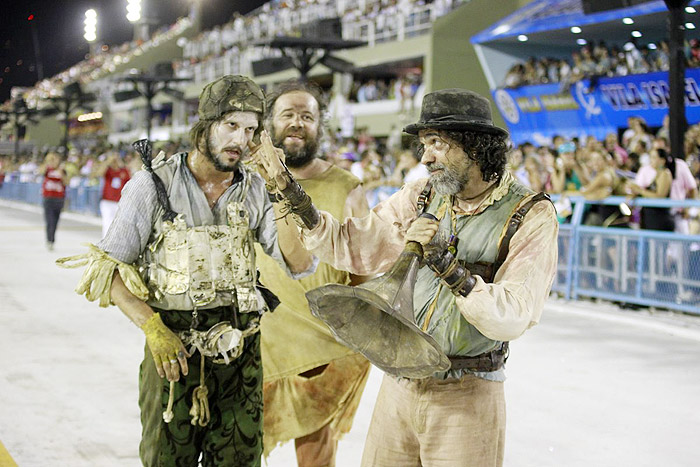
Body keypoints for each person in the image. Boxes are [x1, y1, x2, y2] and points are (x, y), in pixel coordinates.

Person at [253, 88, 559, 466]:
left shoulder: (529, 215)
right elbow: (353, 244)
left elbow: (514, 313)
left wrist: (448, 267)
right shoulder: (421, 195)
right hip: (400, 382)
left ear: (475, 148)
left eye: (437, 144)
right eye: (424, 144)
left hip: (467, 392)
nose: (425, 157)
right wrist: (290, 192)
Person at [58, 75, 315, 467]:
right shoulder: (152, 186)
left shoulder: (257, 190)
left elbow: (299, 263)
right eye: (231, 125)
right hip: (172, 356)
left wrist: (279, 184)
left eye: (250, 130)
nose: (241, 141)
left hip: (240, 354)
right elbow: (106, 270)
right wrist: (151, 327)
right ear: (205, 126)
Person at [255, 80, 371, 466]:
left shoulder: (346, 188)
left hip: (322, 348)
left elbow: (365, 274)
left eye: (307, 116)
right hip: (258, 342)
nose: (297, 123)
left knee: (316, 459)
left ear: (320, 126)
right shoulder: (247, 182)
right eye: (287, 114)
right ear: (269, 123)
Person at [93, 150, 131, 237]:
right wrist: (107, 162)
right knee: (107, 222)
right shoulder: (108, 170)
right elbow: (99, 173)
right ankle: (105, 242)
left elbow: (129, 181)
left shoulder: (124, 171)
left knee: (119, 224)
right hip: (107, 201)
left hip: (120, 202)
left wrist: (120, 163)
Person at [40, 151, 68, 250]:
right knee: (49, 220)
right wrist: (48, 161)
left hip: (59, 198)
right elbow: (41, 171)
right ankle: (49, 240)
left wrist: (61, 173)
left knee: (55, 221)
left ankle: (52, 239)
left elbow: (66, 182)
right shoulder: (47, 169)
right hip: (48, 198)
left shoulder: (62, 170)